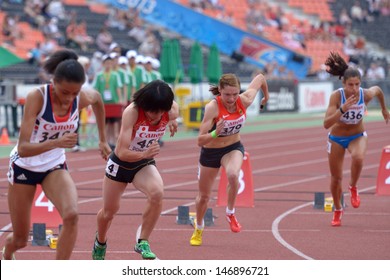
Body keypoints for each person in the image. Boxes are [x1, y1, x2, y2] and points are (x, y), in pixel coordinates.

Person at [2, 49, 112, 260]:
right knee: (21, 239)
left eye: (75, 93)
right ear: (54, 83)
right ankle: (8, 251)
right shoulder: (37, 97)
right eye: (64, 92)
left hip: (54, 166)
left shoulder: (80, 97)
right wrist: (57, 142)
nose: (69, 98)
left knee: (71, 215)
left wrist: (102, 139)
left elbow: (98, 101)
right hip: (24, 167)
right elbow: (23, 147)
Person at [92, 80, 179, 260]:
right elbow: (122, 152)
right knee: (109, 212)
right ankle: (100, 242)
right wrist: (145, 152)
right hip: (120, 164)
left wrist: (172, 120)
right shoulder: (132, 113)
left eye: (160, 112)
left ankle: (142, 241)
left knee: (157, 193)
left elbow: (172, 112)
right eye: (152, 112)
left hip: (142, 164)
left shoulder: (170, 110)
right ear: (143, 105)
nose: (156, 116)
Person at [190, 73, 269, 246]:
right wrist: (215, 132)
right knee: (204, 197)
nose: (232, 98)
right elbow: (199, 140)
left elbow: (261, 78)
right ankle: (199, 227)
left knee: (233, 175)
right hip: (210, 152)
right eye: (227, 95)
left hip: (233, 147)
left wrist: (266, 97)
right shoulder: (213, 108)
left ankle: (230, 212)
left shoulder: (245, 100)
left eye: (235, 94)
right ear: (219, 91)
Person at [323, 51, 389, 227]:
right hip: (336, 138)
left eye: (357, 84)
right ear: (343, 83)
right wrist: (342, 110)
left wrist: (384, 109)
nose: (353, 88)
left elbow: (379, 91)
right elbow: (326, 123)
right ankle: (337, 210)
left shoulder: (365, 94)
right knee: (336, 179)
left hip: (357, 135)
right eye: (350, 85)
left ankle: (353, 187)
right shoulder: (336, 97)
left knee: (358, 157)